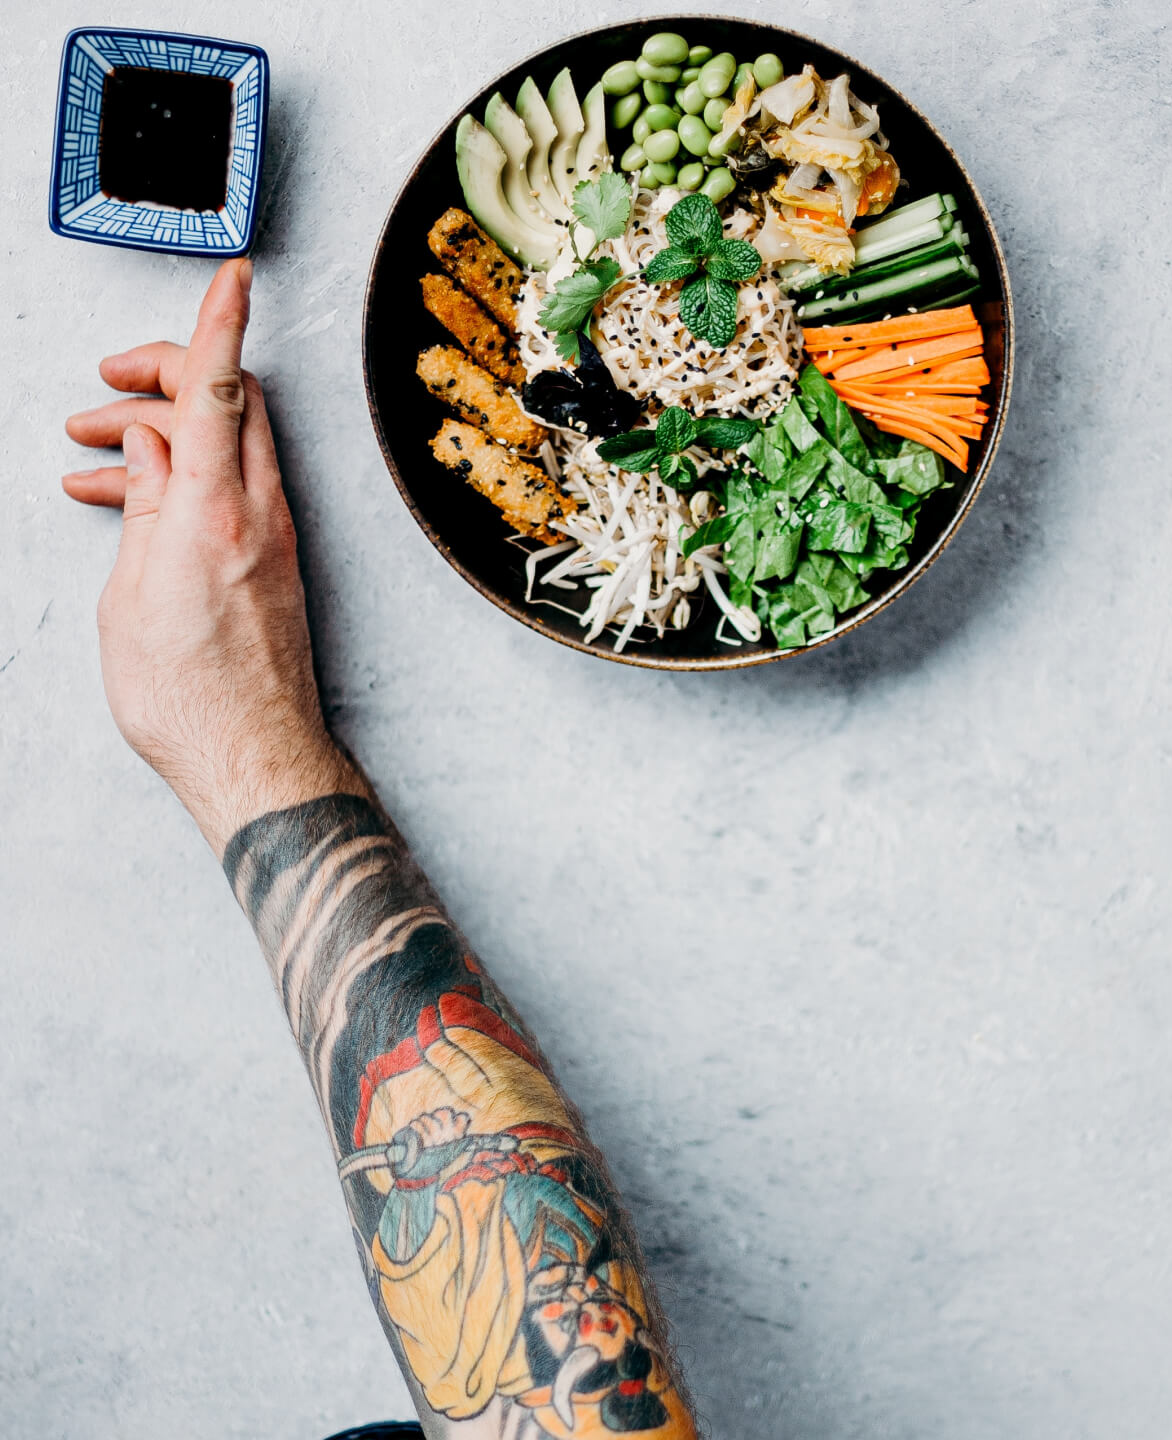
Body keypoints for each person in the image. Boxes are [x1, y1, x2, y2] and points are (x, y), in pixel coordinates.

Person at [63, 259, 697, 1440]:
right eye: (608, 1350)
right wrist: (250, 737)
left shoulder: (483, 1340)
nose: (595, 1331)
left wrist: (243, 744)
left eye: (582, 1358)